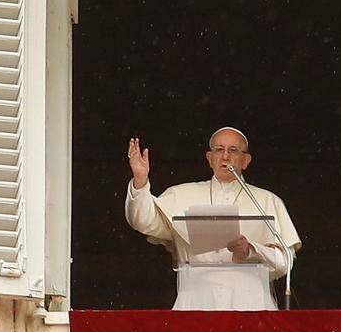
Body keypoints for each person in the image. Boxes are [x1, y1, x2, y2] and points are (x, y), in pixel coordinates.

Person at [125, 127, 301, 310]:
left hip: (252, 305)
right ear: (209, 158)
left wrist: (251, 250)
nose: (225, 156)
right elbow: (142, 221)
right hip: (196, 302)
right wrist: (140, 180)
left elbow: (285, 261)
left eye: (233, 150)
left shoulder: (267, 201)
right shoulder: (180, 194)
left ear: (246, 161)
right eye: (219, 149)